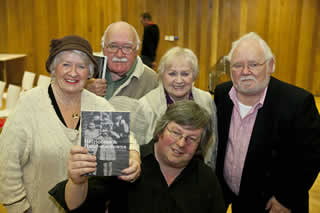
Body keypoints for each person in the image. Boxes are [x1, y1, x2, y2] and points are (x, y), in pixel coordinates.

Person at [0, 35, 141, 213]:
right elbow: (6, 164)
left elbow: (127, 139)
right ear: (54, 68)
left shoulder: (97, 105)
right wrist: (19, 208)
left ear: (89, 73)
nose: (73, 72)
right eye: (66, 64)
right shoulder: (30, 104)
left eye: (81, 66)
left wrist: (134, 156)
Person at [49, 100, 226, 213]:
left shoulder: (205, 178)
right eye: (176, 132)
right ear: (161, 130)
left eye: (191, 139)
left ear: (199, 146)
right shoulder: (126, 161)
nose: (181, 143)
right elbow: (77, 207)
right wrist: (77, 182)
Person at [214, 32, 320, 212]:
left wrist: (286, 198)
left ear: (271, 65)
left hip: (275, 205)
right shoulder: (222, 94)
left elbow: (312, 155)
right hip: (235, 199)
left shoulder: (298, 102)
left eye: (254, 64)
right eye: (238, 65)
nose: (245, 71)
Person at [138, 46, 217, 167]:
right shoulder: (145, 105)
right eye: (172, 74)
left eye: (185, 74)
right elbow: (140, 148)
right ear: (162, 75)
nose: (179, 80)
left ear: (194, 76)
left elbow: (212, 143)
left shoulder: (206, 100)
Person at [86, 21, 158, 99]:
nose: (119, 54)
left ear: (136, 51)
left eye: (127, 47)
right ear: (103, 49)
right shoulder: (85, 73)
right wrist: (83, 92)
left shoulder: (153, 82)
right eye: (113, 46)